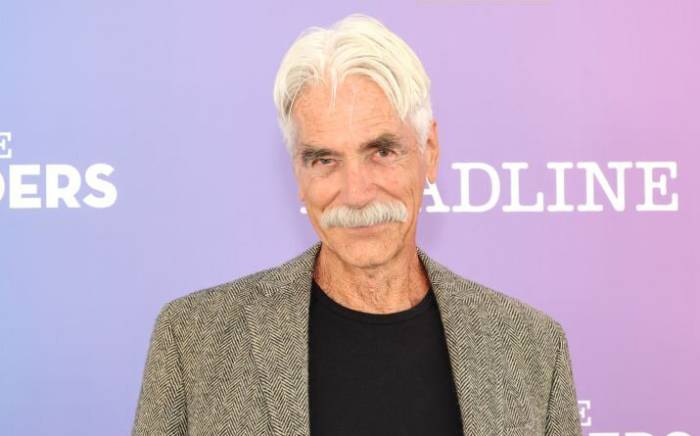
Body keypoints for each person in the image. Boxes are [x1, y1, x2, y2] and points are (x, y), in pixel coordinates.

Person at [132, 13, 582, 436]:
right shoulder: (193, 341)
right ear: (298, 173)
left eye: (381, 152)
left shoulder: (531, 348)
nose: (357, 193)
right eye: (324, 160)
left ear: (429, 150)